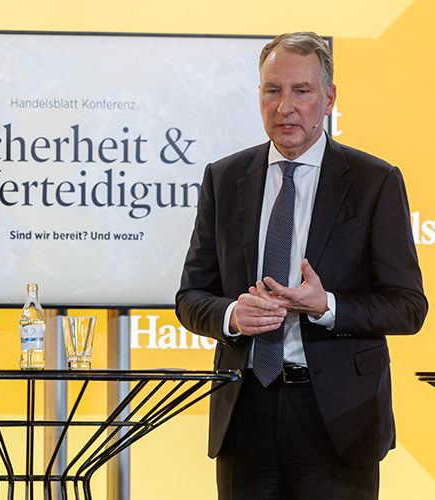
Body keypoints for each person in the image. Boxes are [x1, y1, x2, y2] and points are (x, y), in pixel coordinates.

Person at [175, 31, 427, 499]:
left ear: (328, 98)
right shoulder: (224, 178)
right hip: (245, 410)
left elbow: (408, 307)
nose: (284, 106)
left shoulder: (374, 181)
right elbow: (191, 297)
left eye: (301, 90)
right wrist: (232, 315)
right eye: (272, 90)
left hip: (338, 418)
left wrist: (326, 305)